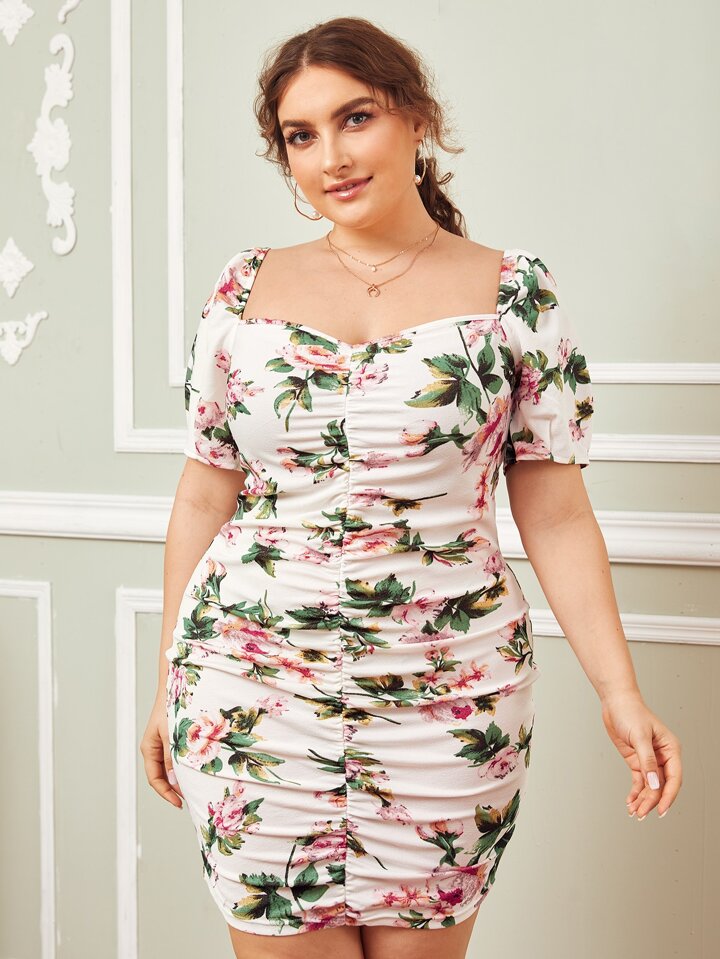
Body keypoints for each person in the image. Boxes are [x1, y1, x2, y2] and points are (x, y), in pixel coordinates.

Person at [140, 15, 683, 959]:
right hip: (250, 687)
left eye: (356, 118)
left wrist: (619, 690)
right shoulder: (242, 290)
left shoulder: (516, 295)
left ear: (417, 118)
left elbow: (556, 513)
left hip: (450, 695)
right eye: (301, 136)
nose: (331, 157)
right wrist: (164, 684)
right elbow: (202, 494)